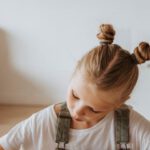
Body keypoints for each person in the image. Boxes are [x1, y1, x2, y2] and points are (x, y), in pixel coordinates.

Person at [0, 24, 150, 150]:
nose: (77, 111)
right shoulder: (44, 123)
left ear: (120, 103)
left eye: (94, 109)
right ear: (74, 72)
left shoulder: (133, 127)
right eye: (75, 95)